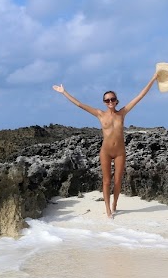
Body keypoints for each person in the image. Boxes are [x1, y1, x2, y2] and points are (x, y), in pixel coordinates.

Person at [52, 72, 158, 218]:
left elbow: (140, 96)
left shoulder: (122, 113)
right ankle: (108, 209)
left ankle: (115, 204)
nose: (110, 102)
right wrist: (64, 92)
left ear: (116, 101)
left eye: (112, 99)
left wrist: (152, 78)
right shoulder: (100, 114)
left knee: (118, 180)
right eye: (107, 100)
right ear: (104, 102)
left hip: (120, 152)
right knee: (107, 181)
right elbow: (79, 104)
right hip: (106, 152)